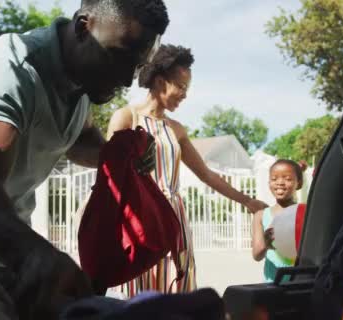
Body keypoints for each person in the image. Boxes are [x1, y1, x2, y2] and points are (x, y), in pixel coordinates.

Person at [0, 0, 169, 317]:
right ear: (84, 27)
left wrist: (120, 155)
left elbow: (79, 139)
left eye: (137, 66)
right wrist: (35, 256)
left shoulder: (81, 83)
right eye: (120, 56)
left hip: (3, 260)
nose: (126, 79)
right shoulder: (7, 72)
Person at [106, 44, 268, 296]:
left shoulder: (176, 129)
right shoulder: (126, 118)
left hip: (174, 220)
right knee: (140, 296)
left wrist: (247, 201)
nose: (184, 95)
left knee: (175, 293)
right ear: (160, 82)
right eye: (181, 87)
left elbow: (207, 174)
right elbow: (110, 175)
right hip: (140, 219)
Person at [251, 159, 304, 282]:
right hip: (272, 285)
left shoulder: (304, 212)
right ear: (269, 183)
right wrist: (266, 243)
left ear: (299, 183)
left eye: (287, 179)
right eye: (274, 179)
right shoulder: (260, 216)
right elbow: (257, 256)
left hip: (299, 284)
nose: (280, 183)